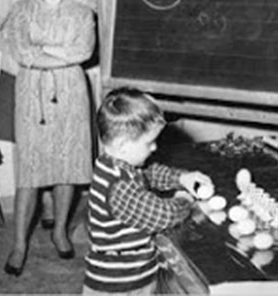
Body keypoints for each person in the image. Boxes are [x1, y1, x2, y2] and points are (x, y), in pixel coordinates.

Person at [0, 0, 94, 230]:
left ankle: (55, 219)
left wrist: (44, 51)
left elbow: (89, 28)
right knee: (30, 158)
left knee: (64, 153)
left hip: (64, 84)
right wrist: (19, 50)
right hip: (22, 79)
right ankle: (34, 217)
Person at [2, 0, 96, 276]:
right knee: (29, 171)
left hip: (71, 93)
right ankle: (19, 244)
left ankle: (59, 232)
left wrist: (43, 51)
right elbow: (21, 52)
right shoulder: (20, 11)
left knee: (67, 164)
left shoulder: (84, 13)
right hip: (32, 96)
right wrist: (59, 52)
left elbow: (83, 52)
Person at [82, 87, 213, 295]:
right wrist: (184, 201)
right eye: (149, 143)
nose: (154, 148)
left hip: (132, 272)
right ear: (123, 145)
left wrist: (181, 178)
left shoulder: (114, 163)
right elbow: (162, 215)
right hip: (121, 282)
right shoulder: (120, 186)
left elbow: (148, 174)